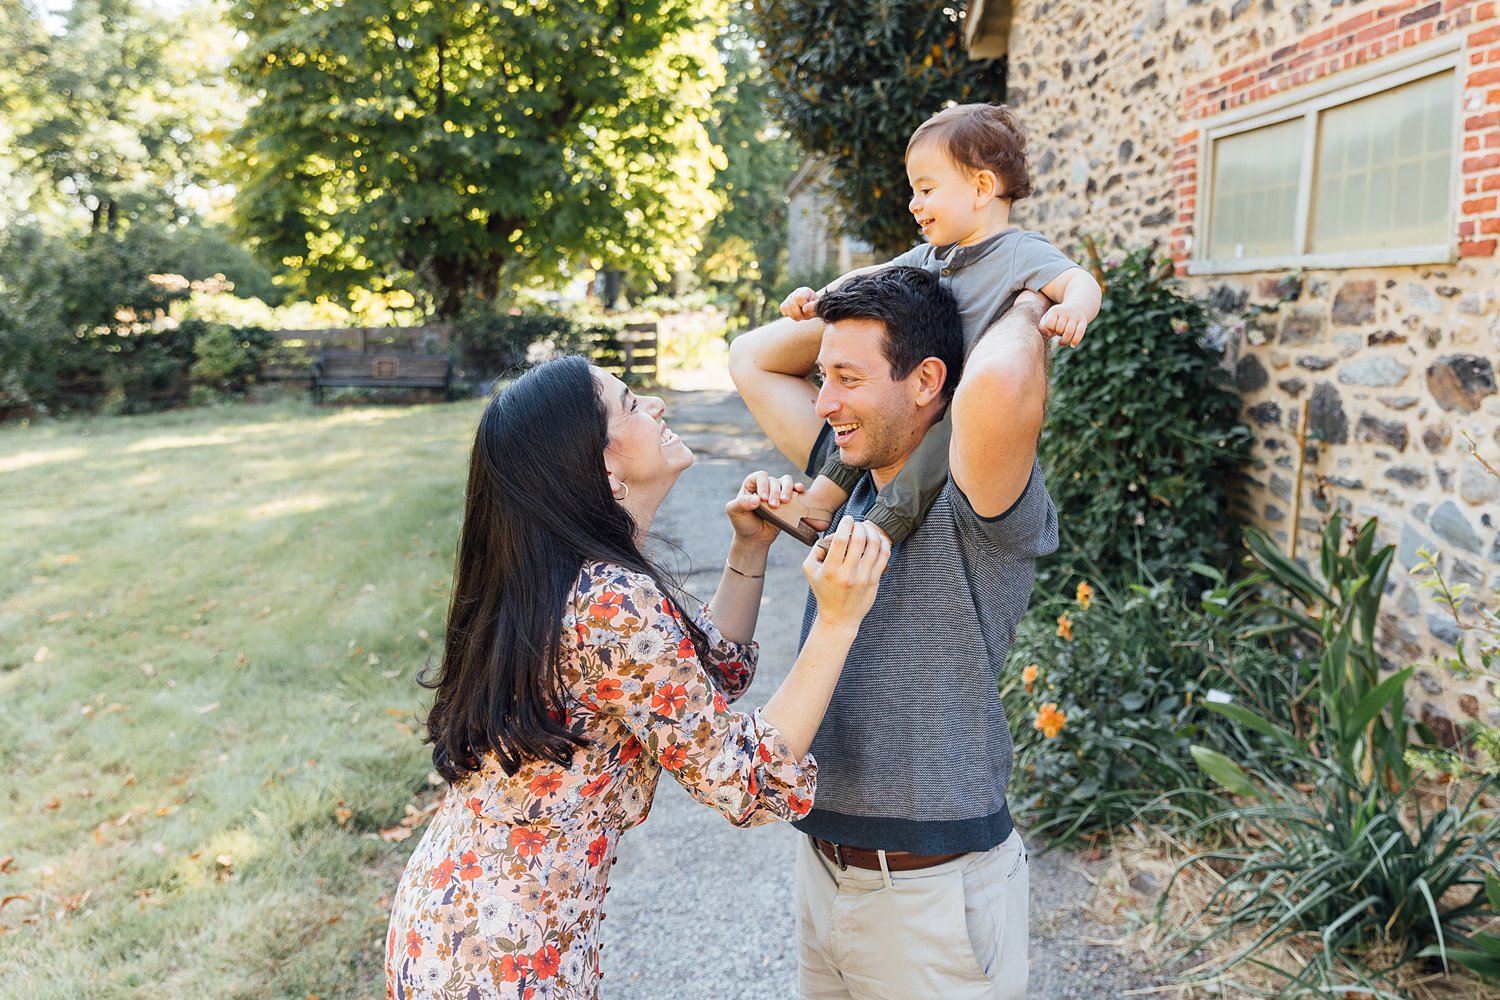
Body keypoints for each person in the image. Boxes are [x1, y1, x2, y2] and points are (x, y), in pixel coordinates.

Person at [384, 355, 890, 1000]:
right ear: (600, 464)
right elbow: (746, 781)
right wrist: (839, 620)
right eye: (628, 403)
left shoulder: (575, 573)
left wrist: (747, 550)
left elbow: (704, 683)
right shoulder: (608, 599)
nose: (654, 406)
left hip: (461, 918)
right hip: (500, 953)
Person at [728, 266, 1057, 999]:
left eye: (846, 376)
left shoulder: (981, 497)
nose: (823, 402)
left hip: (931, 897)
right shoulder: (846, 472)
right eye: (822, 376)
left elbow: (1001, 381)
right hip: (823, 868)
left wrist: (1024, 291)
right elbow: (750, 355)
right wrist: (878, 290)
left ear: (926, 380)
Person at [752, 102, 1099, 549]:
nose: (915, 204)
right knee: (870, 421)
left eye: (926, 189)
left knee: (933, 450)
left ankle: (881, 528)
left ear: (981, 188)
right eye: (914, 191)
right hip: (920, 388)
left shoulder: (1020, 251)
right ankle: (819, 501)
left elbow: (1080, 279)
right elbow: (867, 277)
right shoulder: (929, 257)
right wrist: (820, 299)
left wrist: (1074, 309)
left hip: (966, 405)